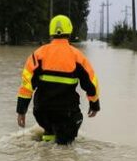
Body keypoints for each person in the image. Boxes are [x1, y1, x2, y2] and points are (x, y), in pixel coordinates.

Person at [16, 15, 100, 145]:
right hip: (66, 111)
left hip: (42, 111)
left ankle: (47, 147)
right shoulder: (77, 56)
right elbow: (91, 83)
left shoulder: (37, 55)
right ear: (69, 32)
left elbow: (26, 86)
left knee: (49, 132)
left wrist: (21, 111)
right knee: (65, 144)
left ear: (51, 33)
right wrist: (94, 104)